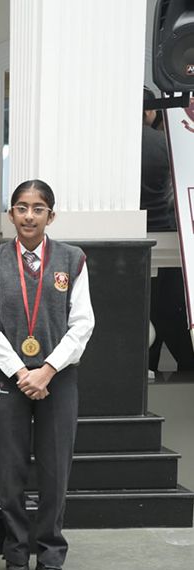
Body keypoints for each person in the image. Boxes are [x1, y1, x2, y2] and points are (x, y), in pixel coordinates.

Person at [0, 179, 95, 570]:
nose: (29, 216)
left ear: (51, 216)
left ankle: (51, 555)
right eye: (21, 208)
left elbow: (82, 324)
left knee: (55, 470)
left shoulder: (72, 259)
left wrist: (47, 370)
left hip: (58, 379)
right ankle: (16, 554)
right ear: (10, 214)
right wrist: (21, 372)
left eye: (38, 208)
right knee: (10, 471)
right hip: (9, 379)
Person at [143, 88, 194, 372]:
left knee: (143, 313)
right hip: (167, 237)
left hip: (129, 244)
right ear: (150, 111)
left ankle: (145, 370)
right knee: (168, 312)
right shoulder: (164, 145)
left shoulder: (109, 146)